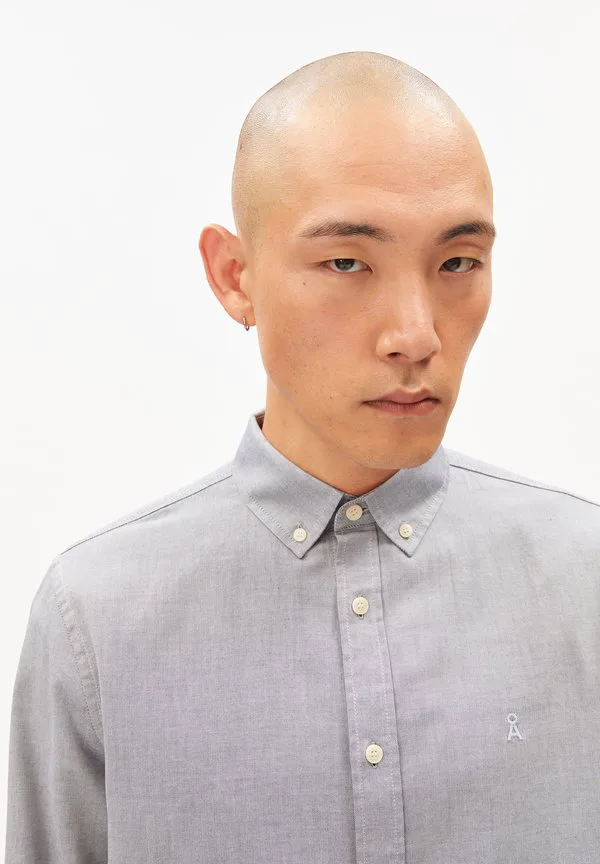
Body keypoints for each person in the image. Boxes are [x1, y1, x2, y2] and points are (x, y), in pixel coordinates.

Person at [5, 50, 600, 864]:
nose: (415, 334)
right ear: (234, 277)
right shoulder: (98, 620)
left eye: (457, 262)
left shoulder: (586, 583)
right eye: (347, 262)